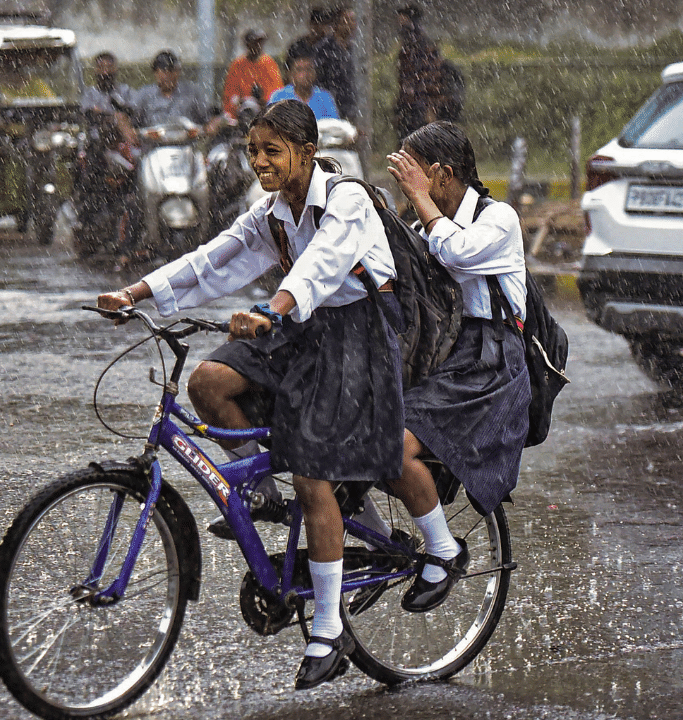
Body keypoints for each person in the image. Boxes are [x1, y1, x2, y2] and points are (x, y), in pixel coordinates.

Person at [96, 100, 454, 690]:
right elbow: (217, 256)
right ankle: (262, 492)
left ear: (307, 154)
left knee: (313, 477)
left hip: (360, 335)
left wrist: (274, 308)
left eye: (271, 152)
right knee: (209, 385)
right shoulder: (274, 212)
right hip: (302, 328)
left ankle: (331, 627)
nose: (259, 163)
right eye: (252, 152)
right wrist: (135, 293)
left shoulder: (346, 200)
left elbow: (323, 262)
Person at [385, 121, 530, 612]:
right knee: (359, 425)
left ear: (442, 175)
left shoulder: (499, 219)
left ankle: (444, 552)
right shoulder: (424, 223)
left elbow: (458, 253)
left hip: (489, 361)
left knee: (393, 445)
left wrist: (421, 204)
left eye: (415, 176)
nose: (408, 188)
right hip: (445, 353)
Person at [394, 5, 447, 141]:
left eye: (402, 20)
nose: (400, 24)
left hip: (418, 106)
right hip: (411, 105)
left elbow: (428, 77)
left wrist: (429, 107)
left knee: (417, 144)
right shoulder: (411, 44)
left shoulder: (419, 45)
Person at [130, 49, 218, 131]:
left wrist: (211, 126)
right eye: (164, 71)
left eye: (172, 71)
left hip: (186, 145)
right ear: (156, 73)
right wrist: (131, 132)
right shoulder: (145, 94)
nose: (168, 75)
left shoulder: (192, 93)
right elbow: (130, 119)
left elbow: (210, 117)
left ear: (178, 72)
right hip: (153, 145)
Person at [222, 29, 284, 120]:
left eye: (260, 42)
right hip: (241, 115)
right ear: (247, 44)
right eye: (254, 42)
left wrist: (261, 100)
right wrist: (242, 101)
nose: (258, 46)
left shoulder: (269, 63)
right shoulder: (237, 65)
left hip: (265, 114)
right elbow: (229, 97)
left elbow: (277, 94)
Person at [312, 6, 358, 123]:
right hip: (329, 108)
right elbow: (318, 80)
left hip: (349, 108)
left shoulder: (353, 49)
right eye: (347, 20)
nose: (351, 24)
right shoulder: (324, 49)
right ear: (336, 24)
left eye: (353, 20)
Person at [81, 51, 138, 146]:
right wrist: (115, 117)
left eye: (109, 67)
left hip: (122, 141)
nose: (105, 72)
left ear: (115, 69)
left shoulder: (125, 91)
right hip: (97, 142)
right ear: (95, 70)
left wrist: (118, 114)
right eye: (101, 67)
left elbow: (133, 112)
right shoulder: (89, 94)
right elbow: (89, 115)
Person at [269, 55, 339, 121]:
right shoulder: (278, 97)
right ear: (290, 74)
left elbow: (333, 126)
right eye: (299, 70)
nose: (305, 74)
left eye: (309, 69)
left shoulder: (325, 98)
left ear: (315, 73)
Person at [285, 6, 332, 71]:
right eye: (315, 24)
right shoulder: (297, 45)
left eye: (322, 24)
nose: (318, 28)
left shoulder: (329, 47)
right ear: (309, 24)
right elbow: (289, 69)